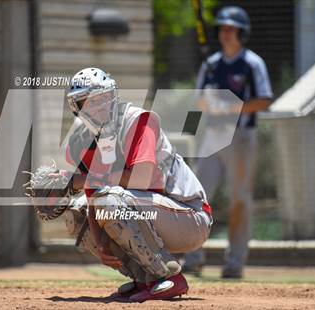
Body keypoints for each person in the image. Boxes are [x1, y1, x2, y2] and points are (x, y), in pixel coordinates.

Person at [52, 67, 213, 302]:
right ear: (76, 108)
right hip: (149, 212)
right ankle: (144, 278)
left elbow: (142, 178)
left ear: (113, 97)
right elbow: (92, 193)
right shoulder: (83, 139)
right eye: (87, 102)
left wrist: (80, 180)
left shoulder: (138, 120)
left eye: (101, 99)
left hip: (189, 216)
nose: (96, 107)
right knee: (76, 212)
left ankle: (168, 277)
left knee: (111, 200)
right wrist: (101, 244)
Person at [184, 6, 273, 279]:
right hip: (213, 136)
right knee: (196, 195)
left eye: (231, 29)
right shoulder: (210, 64)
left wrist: (231, 107)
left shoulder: (252, 63)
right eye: (222, 28)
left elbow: (265, 100)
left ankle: (234, 263)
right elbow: (198, 100)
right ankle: (193, 258)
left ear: (242, 32)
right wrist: (209, 101)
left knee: (239, 200)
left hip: (241, 138)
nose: (226, 33)